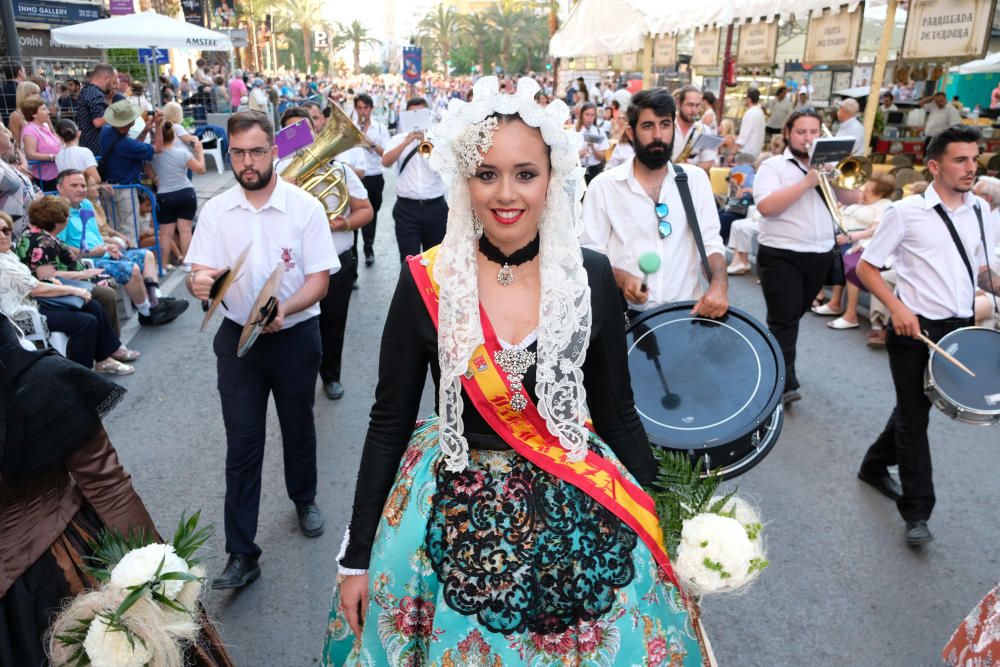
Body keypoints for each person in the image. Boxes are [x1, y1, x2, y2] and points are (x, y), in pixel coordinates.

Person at [325, 75, 705, 667]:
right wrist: (358, 556)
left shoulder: (591, 277)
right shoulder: (427, 279)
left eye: (525, 173)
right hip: (446, 510)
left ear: (553, 179)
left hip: (576, 507)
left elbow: (618, 414)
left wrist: (671, 527)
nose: (507, 193)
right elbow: (387, 423)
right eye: (487, 173)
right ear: (464, 180)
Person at [0, 314, 235, 666]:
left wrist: (155, 578)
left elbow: (109, 486)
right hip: (50, 578)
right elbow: (109, 486)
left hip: (45, 586)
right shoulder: (39, 381)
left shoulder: (37, 383)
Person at [185, 111, 339, 590]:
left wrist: (285, 309)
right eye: (238, 153)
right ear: (228, 153)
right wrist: (199, 282)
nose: (247, 162)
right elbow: (201, 272)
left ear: (274, 152)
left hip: (294, 335)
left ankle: (304, 497)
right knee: (243, 443)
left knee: (298, 425)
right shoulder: (215, 210)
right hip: (236, 339)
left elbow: (319, 280)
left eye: (256, 151)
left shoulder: (305, 207)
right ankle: (241, 552)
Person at [856, 124, 999, 546]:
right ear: (935, 166)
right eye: (960, 159)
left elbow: (979, 268)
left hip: (959, 325)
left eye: (974, 159)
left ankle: (873, 465)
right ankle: (917, 513)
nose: (970, 167)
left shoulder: (980, 211)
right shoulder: (906, 212)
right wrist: (897, 308)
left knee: (914, 406)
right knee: (915, 421)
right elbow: (867, 267)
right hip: (914, 329)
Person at [582, 88, 728, 319]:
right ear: (631, 132)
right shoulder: (604, 186)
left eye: (665, 124)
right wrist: (624, 279)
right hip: (625, 317)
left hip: (686, 314)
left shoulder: (694, 180)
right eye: (648, 126)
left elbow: (710, 244)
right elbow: (591, 257)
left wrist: (719, 286)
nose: (658, 135)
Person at [753, 108, 861, 405]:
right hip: (781, 253)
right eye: (802, 132)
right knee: (785, 319)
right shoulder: (773, 166)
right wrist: (807, 182)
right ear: (787, 134)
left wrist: (837, 177)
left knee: (790, 317)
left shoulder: (829, 166)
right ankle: (783, 384)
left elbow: (855, 199)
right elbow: (767, 207)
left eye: (814, 132)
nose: (808, 138)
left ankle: (765, 361)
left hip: (820, 253)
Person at [278, 107, 372, 400]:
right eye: (290, 130)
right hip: (295, 267)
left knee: (333, 325)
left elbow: (365, 210)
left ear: (314, 131)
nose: (297, 136)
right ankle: (298, 379)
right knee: (297, 328)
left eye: (303, 128)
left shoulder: (339, 169)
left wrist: (343, 222)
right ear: (283, 136)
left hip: (336, 263)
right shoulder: (277, 173)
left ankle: (331, 376)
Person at [0, 211, 133, 374]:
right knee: (85, 322)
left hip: (34, 302)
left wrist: (68, 286)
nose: (3, 236)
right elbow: (36, 287)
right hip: (22, 316)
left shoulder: (7, 254)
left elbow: (32, 282)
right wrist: (74, 289)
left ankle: (103, 358)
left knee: (93, 306)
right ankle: (80, 374)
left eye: (5, 230)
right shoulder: (3, 263)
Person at [56, 169, 187, 326]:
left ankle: (155, 300)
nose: (80, 189)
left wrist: (109, 244)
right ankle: (147, 313)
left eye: (83, 185)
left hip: (103, 252)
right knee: (131, 269)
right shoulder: (58, 212)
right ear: (60, 188)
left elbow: (94, 235)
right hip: (85, 261)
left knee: (147, 256)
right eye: (74, 185)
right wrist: (94, 251)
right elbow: (61, 248)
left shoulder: (86, 204)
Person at [816, 175, 896, 330]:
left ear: (880, 194)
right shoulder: (863, 201)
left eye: (867, 189)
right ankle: (829, 300)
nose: (863, 191)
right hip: (846, 237)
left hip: (858, 242)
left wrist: (849, 237)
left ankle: (846, 312)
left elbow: (874, 230)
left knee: (845, 260)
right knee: (824, 248)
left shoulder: (884, 205)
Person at [382, 97, 449, 262]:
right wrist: (406, 142)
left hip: (436, 208)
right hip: (407, 209)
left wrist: (427, 143)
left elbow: (445, 169)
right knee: (408, 261)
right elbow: (386, 162)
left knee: (435, 262)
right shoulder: (398, 139)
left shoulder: (439, 140)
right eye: (412, 114)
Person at [99, 100, 163, 246]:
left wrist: (146, 129)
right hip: (125, 191)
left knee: (114, 229)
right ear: (126, 125)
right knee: (129, 229)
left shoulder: (106, 132)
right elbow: (158, 148)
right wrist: (158, 126)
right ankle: (133, 260)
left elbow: (134, 147)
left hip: (110, 188)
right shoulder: (126, 145)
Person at [151, 120, 205, 265]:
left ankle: (162, 265)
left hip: (165, 195)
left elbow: (147, 169)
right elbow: (201, 169)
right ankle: (187, 263)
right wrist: (199, 152)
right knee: (185, 230)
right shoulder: (182, 153)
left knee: (166, 232)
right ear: (173, 136)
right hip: (186, 193)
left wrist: (155, 177)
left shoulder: (154, 155)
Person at [351, 94, 389, 267]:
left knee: (370, 216)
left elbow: (386, 155)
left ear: (371, 109)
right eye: (359, 108)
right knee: (352, 217)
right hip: (354, 176)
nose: (363, 111)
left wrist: (370, 143)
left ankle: (368, 248)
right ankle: (352, 257)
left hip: (373, 176)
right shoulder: (350, 128)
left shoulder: (380, 129)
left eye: (366, 108)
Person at [18, 95, 61, 191]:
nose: (48, 112)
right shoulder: (30, 130)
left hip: (55, 174)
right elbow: (30, 154)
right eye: (44, 109)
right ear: (34, 114)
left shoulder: (44, 126)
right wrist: (52, 157)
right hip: (45, 177)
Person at [75, 64, 117, 155]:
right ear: (107, 78)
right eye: (113, 82)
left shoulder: (86, 89)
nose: (113, 86)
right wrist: (119, 113)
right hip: (94, 146)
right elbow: (98, 122)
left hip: (86, 143)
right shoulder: (96, 93)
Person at [671, 86, 715, 172]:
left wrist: (689, 168)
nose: (694, 110)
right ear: (679, 103)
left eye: (697, 105)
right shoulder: (665, 126)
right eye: (690, 105)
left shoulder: (706, 130)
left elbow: (708, 163)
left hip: (691, 181)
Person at [54, 119, 100, 185]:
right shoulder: (85, 152)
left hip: (68, 192)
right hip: (84, 191)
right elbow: (96, 178)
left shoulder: (58, 156)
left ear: (59, 137)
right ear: (78, 133)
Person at [576, 102, 608, 184]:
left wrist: (593, 148)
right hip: (579, 168)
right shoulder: (575, 131)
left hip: (595, 169)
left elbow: (601, 157)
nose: (589, 118)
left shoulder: (599, 131)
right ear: (582, 115)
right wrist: (579, 154)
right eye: (587, 114)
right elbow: (568, 155)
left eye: (592, 115)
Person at [6, 80, 41, 147]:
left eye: (38, 93)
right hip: (28, 155)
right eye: (34, 93)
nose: (38, 96)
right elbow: (16, 143)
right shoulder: (16, 116)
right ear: (24, 95)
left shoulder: (39, 111)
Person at [735, 89, 766, 158]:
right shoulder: (760, 112)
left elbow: (742, 138)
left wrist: (732, 153)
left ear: (749, 99)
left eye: (745, 98)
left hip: (746, 153)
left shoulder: (750, 113)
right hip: (756, 152)